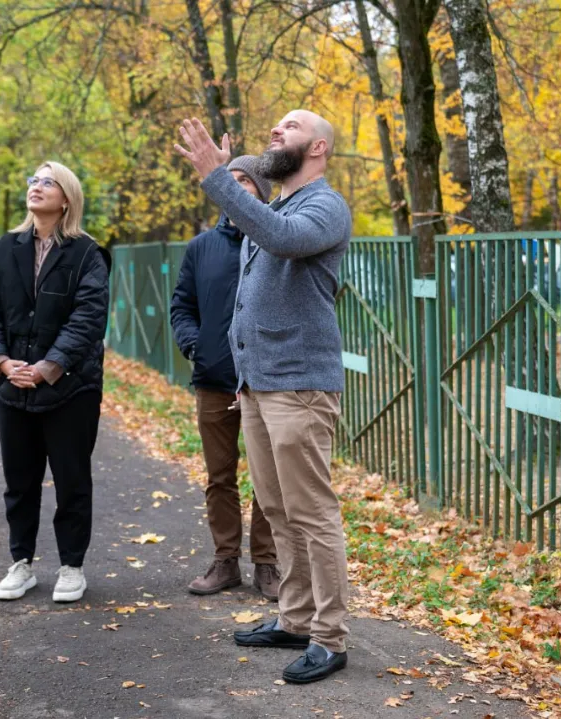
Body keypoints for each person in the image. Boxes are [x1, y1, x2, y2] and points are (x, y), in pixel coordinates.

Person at [174, 111, 352, 684]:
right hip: (257, 387)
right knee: (277, 511)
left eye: (291, 127)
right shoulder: (275, 207)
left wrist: (217, 178)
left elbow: (283, 242)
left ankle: (329, 637)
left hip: (299, 385)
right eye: (275, 126)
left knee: (312, 513)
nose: (277, 131)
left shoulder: (323, 207)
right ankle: (296, 617)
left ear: (318, 147)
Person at [0, 161, 111, 604]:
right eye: (33, 180)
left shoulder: (88, 254)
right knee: (20, 478)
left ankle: (71, 566)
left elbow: (88, 317)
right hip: (11, 385)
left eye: (47, 181)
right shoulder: (3, 248)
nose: (36, 186)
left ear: (66, 198)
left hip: (71, 387)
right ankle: (21, 563)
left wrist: (49, 366)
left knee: (71, 478)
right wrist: (1, 361)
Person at [170, 155, 281, 600]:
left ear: (261, 191)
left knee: (267, 477)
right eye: (229, 180)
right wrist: (196, 346)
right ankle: (225, 561)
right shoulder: (201, 248)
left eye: (246, 181)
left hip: (264, 382)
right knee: (220, 476)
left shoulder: (275, 243)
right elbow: (182, 305)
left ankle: (268, 565)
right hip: (214, 379)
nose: (236, 188)